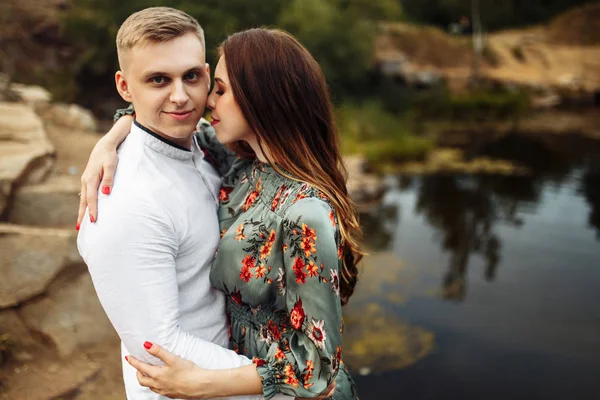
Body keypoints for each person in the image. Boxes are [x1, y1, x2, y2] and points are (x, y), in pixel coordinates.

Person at [78, 27, 363, 400]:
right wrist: (111, 138)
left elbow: (319, 368)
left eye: (219, 89)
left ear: (263, 99)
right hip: (235, 368)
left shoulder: (306, 213)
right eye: (213, 86)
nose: (205, 101)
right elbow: (158, 123)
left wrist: (205, 383)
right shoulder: (238, 162)